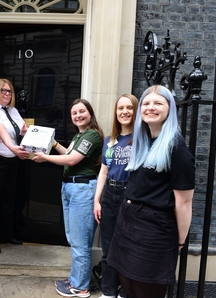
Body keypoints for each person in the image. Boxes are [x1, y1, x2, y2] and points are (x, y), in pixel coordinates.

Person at [107, 85, 195, 298]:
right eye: (146, 103)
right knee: (126, 285)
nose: (150, 107)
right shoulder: (142, 142)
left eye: (158, 103)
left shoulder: (178, 150)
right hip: (127, 222)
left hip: (153, 230)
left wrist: (180, 241)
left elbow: (183, 203)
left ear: (169, 108)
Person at [33, 98, 104, 298]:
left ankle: (80, 287)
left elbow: (72, 159)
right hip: (72, 187)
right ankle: (75, 279)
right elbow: (68, 153)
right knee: (74, 238)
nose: (78, 116)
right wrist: (53, 143)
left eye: (82, 111)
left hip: (82, 189)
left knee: (80, 241)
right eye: (74, 113)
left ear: (90, 113)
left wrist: (44, 157)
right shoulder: (79, 136)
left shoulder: (92, 135)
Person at [93, 94, 139, 298]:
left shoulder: (141, 140)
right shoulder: (110, 141)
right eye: (120, 108)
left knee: (129, 247)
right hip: (109, 193)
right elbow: (103, 170)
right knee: (108, 248)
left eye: (129, 107)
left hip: (130, 194)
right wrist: (97, 200)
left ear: (136, 110)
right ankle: (109, 292)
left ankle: (126, 293)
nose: (125, 112)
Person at [0, 78, 30, 254]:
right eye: (3, 90)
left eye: (9, 91)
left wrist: (40, 138)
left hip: (12, 163)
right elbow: (1, 130)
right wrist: (13, 148)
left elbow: (24, 129)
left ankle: (6, 234)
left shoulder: (13, 110)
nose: (7, 94)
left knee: (9, 201)